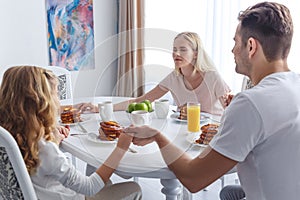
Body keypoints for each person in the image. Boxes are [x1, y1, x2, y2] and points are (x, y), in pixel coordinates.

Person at [123, 2, 300, 200]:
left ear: (251, 46)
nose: (233, 51)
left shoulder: (249, 103)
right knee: (228, 193)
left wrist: (157, 136)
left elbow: (194, 178)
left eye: (236, 42)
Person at [0, 66, 142, 200]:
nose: (58, 100)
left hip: (40, 193)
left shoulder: (10, 134)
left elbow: (41, 163)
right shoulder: (45, 149)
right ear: (42, 101)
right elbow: (89, 187)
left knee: (102, 177)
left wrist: (53, 141)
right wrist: (121, 147)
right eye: (56, 94)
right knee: (134, 188)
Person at [76, 32, 231, 116]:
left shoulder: (212, 77)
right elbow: (141, 100)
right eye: (174, 49)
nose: (176, 53)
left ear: (196, 54)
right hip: (187, 134)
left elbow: (232, 110)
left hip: (211, 136)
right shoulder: (174, 78)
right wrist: (98, 108)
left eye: (183, 49)